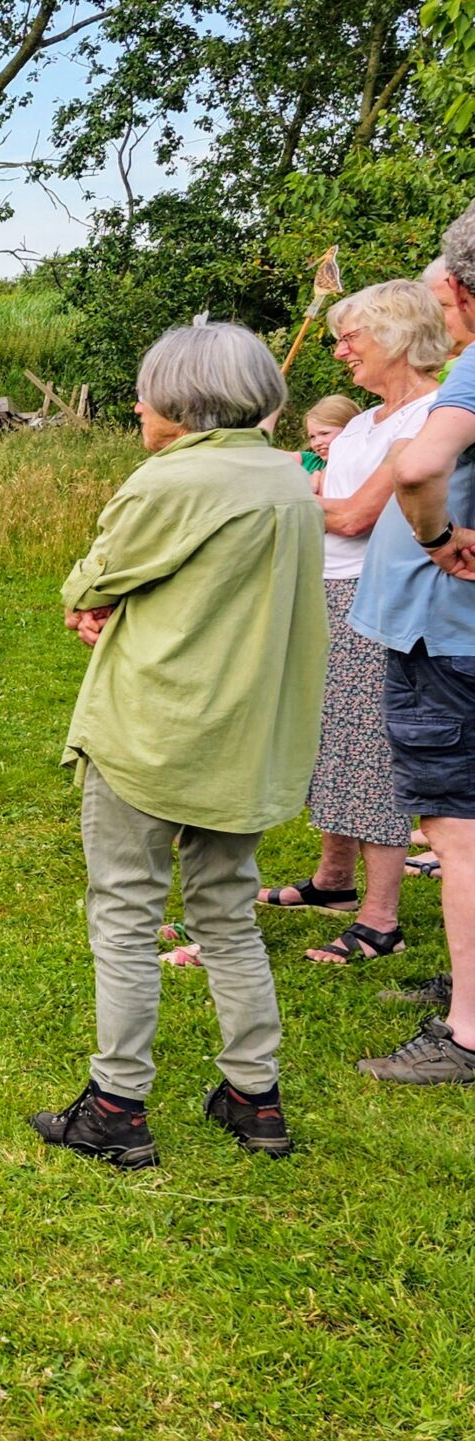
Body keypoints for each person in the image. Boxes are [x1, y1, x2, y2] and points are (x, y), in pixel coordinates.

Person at [30, 321, 324, 1167]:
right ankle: (254, 1095)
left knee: (124, 913)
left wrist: (92, 601)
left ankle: (118, 1103)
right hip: (248, 734)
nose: (137, 405)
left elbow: (95, 574)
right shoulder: (290, 478)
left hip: (156, 728)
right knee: (228, 913)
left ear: (184, 404)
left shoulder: (173, 478)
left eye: (147, 391)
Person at [257, 281, 446, 963]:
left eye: (351, 337)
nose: (340, 351)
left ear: (395, 335)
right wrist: (233, 455)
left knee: (369, 749)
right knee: (330, 735)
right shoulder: (366, 422)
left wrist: (257, 493)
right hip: (327, 592)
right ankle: (333, 881)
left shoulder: (430, 417)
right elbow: (319, 485)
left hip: (380, 600)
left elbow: (355, 515)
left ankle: (381, 917)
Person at [348, 206, 475, 1080]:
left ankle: (467, 1032)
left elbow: (421, 468)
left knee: (457, 830)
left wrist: (435, 538)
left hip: (446, 633)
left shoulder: (472, 373)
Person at [295, 395, 362, 476]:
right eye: (312, 437)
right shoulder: (311, 461)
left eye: (324, 433)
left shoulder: (366, 466)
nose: (317, 443)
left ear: (350, 429)